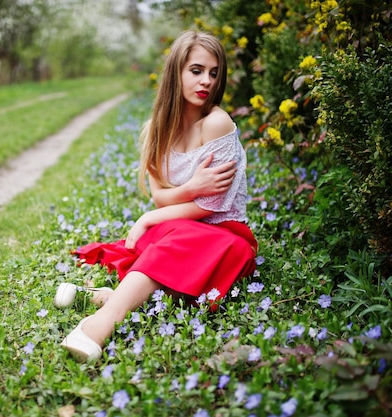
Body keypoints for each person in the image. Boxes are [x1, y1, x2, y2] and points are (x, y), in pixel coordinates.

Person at [59, 30, 258, 362]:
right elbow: (160, 197)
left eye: (213, 72)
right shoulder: (158, 128)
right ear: (176, 72)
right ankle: (106, 297)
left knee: (179, 245)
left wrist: (150, 217)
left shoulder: (217, 123)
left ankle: (101, 321)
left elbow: (214, 205)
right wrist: (191, 188)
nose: (206, 81)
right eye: (196, 70)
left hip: (224, 237)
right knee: (172, 246)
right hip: (177, 228)